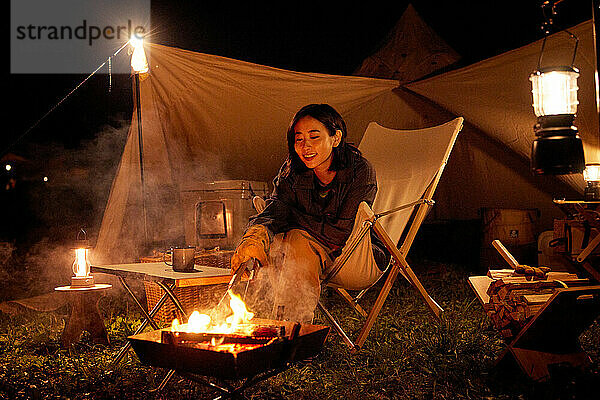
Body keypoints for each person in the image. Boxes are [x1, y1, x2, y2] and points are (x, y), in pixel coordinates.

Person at [230, 104, 390, 322]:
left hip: (355, 257)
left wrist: (290, 216)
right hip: (306, 256)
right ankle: (293, 328)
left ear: (335, 138)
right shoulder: (293, 170)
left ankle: (292, 330)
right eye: (299, 139)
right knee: (294, 238)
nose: (305, 147)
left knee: (295, 236)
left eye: (314, 137)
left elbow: (340, 232)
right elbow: (277, 206)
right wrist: (256, 234)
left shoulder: (360, 171)